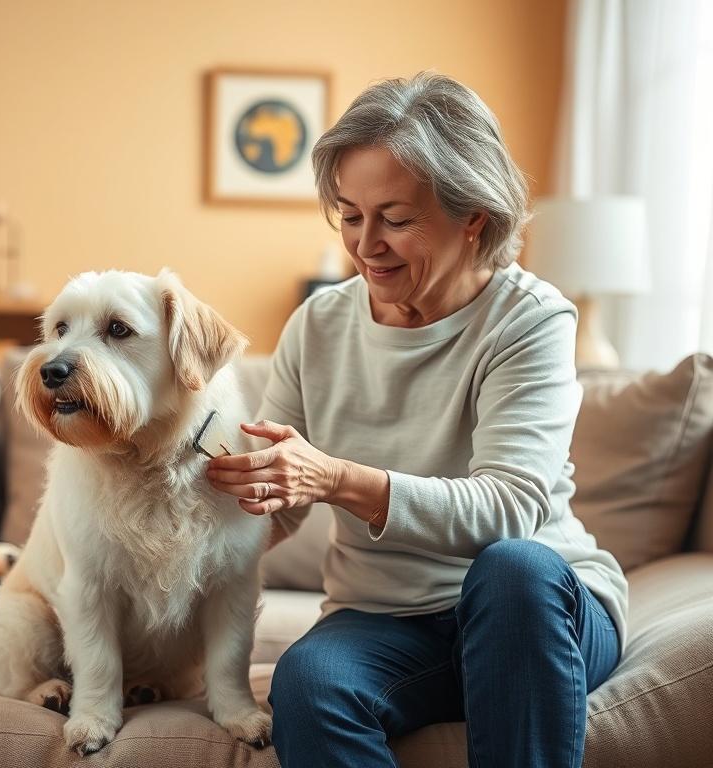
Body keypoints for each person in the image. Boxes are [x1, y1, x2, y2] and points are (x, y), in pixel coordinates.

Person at [205, 72, 626, 768]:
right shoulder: (318, 324)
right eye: (348, 214)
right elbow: (275, 503)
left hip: (538, 613)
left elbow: (510, 509)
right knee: (310, 682)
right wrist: (199, 499)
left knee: (513, 568)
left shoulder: (530, 320)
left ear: (474, 218)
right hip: (386, 621)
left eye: (396, 219)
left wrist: (336, 478)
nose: (365, 244)